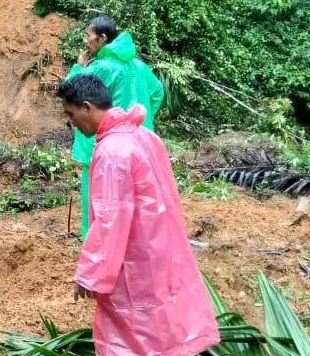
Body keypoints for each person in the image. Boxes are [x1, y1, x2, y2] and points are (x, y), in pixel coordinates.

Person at [58, 74, 219, 356]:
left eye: (70, 114)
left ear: (87, 107)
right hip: (162, 248)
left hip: (135, 258)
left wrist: (90, 273)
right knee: (162, 327)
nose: (71, 123)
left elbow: (110, 220)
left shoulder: (111, 152)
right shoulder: (143, 135)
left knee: (133, 336)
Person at [66, 16, 164, 238]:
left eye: (88, 35)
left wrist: (78, 68)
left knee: (97, 204)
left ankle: (94, 248)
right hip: (139, 146)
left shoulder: (101, 68)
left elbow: (71, 93)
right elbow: (157, 92)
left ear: (102, 38)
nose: (85, 39)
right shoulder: (139, 66)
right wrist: (143, 122)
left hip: (101, 148)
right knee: (134, 199)